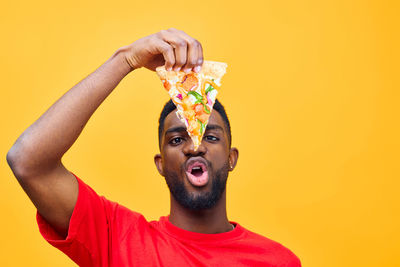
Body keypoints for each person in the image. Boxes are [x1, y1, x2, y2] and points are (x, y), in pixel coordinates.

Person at [7, 28, 301, 266]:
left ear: (231, 158)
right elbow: (27, 160)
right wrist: (125, 60)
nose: (194, 146)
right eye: (177, 139)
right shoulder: (117, 240)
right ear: (160, 163)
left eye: (210, 137)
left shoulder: (277, 261)